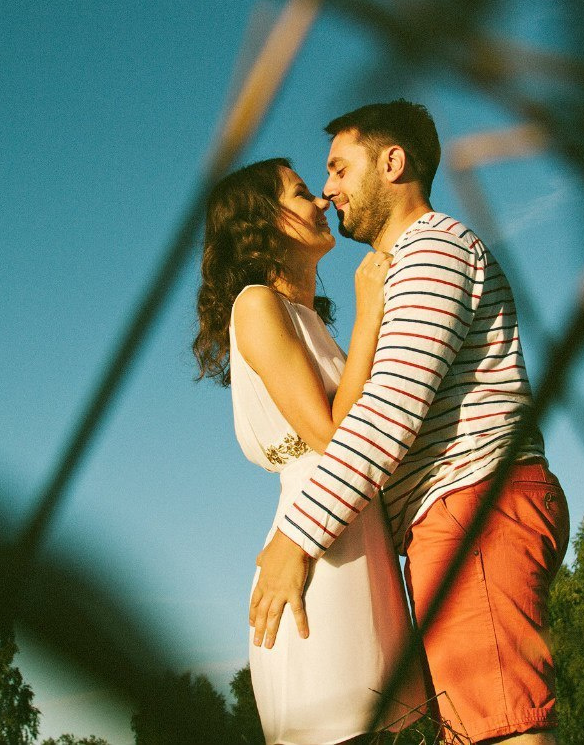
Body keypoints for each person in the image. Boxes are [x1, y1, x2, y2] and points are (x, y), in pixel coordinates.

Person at [250, 101, 570, 744]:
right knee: (483, 722)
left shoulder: (431, 252)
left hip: (471, 505)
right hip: (458, 512)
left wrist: (297, 536)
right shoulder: (412, 265)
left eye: (339, 168)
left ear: (393, 162)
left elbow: (389, 411)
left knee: (501, 727)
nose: (329, 189)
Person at [193, 157, 426, 745]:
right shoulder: (255, 305)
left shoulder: (307, 321)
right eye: (301, 194)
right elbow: (332, 435)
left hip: (358, 538)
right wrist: (371, 309)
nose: (322, 201)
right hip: (318, 554)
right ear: (263, 222)